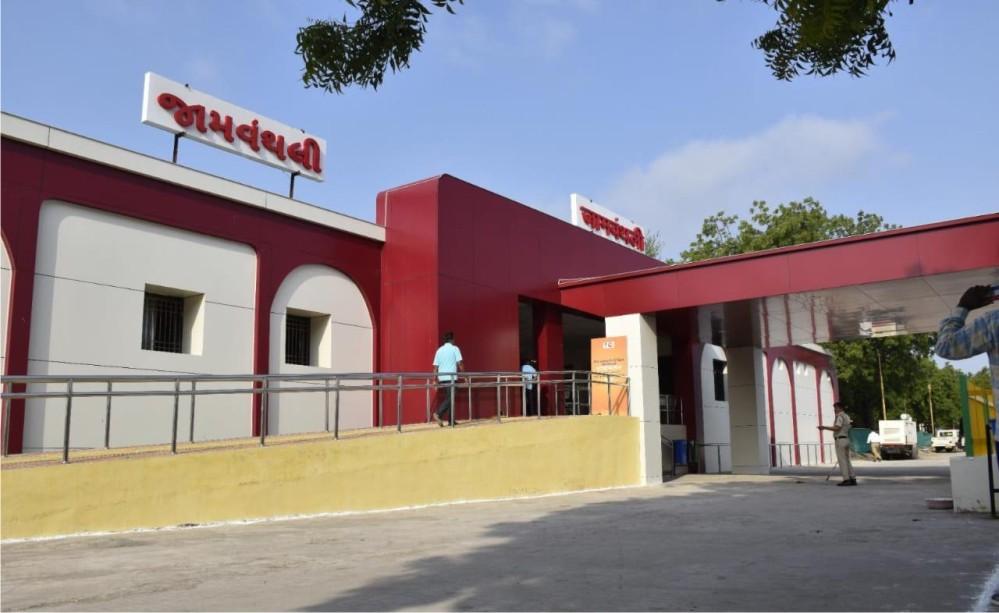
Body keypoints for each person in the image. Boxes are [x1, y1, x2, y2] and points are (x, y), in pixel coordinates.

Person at [818, 402, 857, 486]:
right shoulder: (847, 416)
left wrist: (824, 427)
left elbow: (837, 428)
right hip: (846, 439)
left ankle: (846, 479)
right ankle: (852, 478)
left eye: (836, 408)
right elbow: (850, 426)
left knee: (842, 461)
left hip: (840, 440)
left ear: (840, 408)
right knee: (847, 460)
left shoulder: (839, 416)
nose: (834, 410)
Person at [432, 331, 464, 426]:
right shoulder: (455, 348)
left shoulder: (439, 350)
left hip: (442, 378)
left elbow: (435, 367)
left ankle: (451, 420)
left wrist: (434, 380)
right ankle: (438, 413)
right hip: (451, 377)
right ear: (452, 339)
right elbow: (460, 363)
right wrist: (465, 375)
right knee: (451, 397)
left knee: (449, 398)